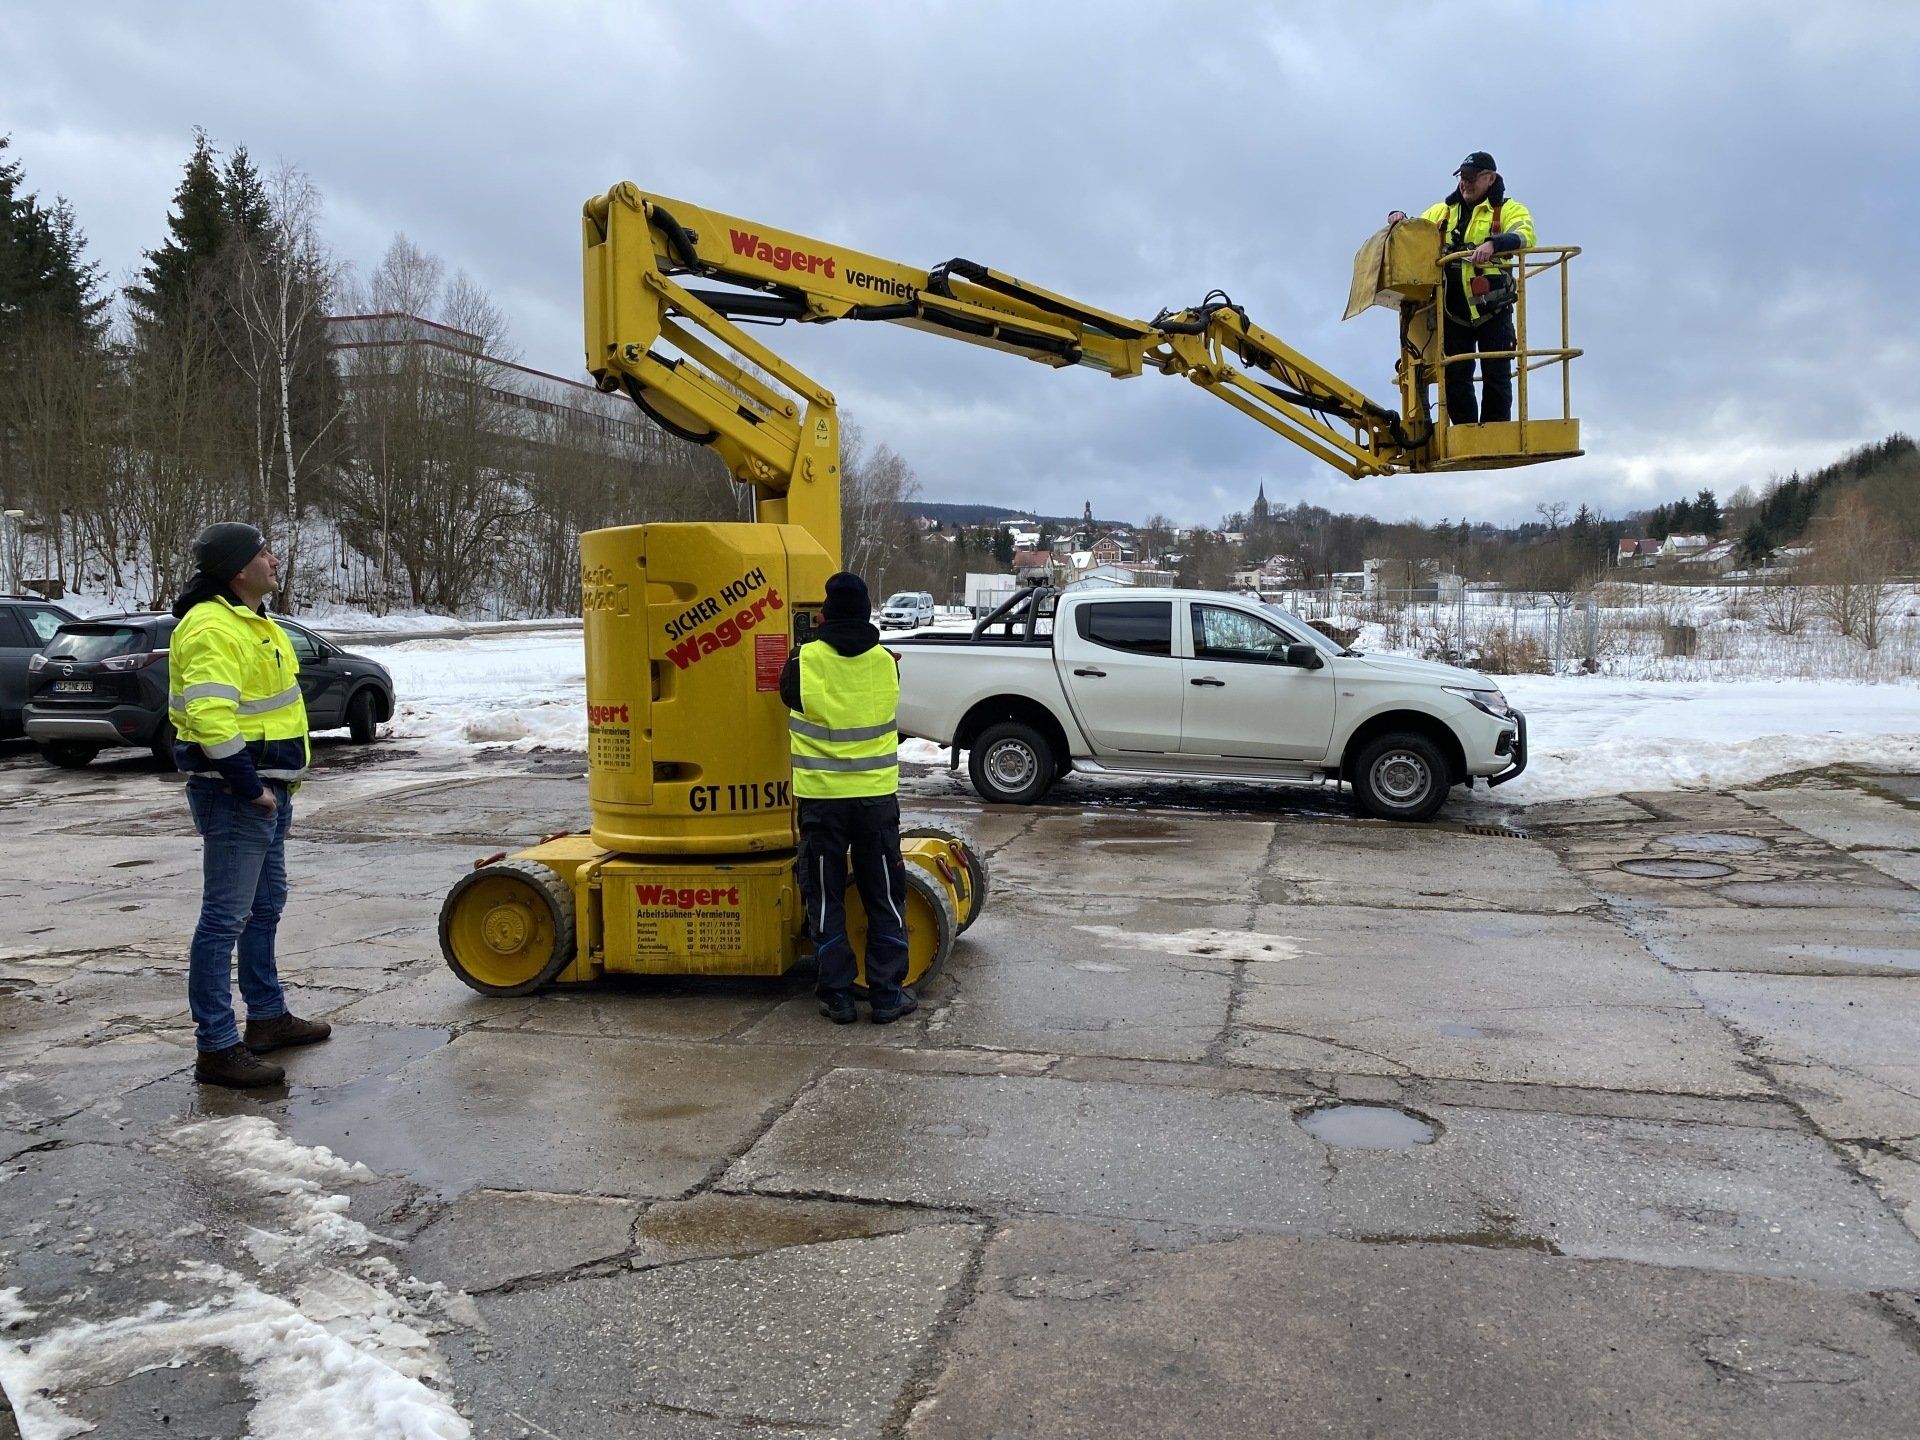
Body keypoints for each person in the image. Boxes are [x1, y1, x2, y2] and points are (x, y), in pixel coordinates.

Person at [169, 522, 331, 1087]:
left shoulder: (254, 621)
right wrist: (248, 786)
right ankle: (216, 1047)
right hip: (237, 794)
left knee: (264, 909)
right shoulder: (211, 627)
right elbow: (210, 717)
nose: (274, 559)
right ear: (239, 569)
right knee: (224, 919)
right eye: (264, 552)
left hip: (268, 791)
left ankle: (266, 1017)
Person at [779, 571, 914, 1025]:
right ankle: (887, 994)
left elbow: (786, 696)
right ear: (868, 612)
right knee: (884, 893)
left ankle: (837, 995)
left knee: (825, 895)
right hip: (875, 800)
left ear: (825, 613)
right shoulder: (886, 662)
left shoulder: (803, 661)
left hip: (822, 801)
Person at [1389, 151, 1535, 425]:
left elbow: (1525, 235)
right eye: (1462, 177)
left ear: (1489, 178)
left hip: (1493, 308)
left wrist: (1494, 244)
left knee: (1497, 372)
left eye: (1471, 178)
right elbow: (1416, 229)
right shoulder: (1444, 211)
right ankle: (1465, 430)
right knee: (1455, 374)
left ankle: (1495, 431)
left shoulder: (1508, 210)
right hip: (1452, 309)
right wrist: (1399, 217)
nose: (1465, 183)